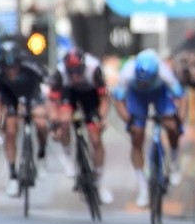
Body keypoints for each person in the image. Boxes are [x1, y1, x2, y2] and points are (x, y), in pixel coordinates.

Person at [113, 48, 186, 208]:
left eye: (147, 81)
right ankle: (143, 188)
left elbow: (181, 97)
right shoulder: (127, 73)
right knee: (137, 136)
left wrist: (179, 121)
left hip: (160, 93)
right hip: (137, 96)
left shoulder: (164, 72)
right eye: (142, 81)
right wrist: (129, 121)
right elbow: (118, 101)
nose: (145, 84)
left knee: (172, 126)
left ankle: (174, 162)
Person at [49, 46, 113, 204]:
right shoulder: (60, 73)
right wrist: (54, 123)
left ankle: (99, 182)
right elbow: (52, 102)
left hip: (90, 96)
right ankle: (68, 159)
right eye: (71, 73)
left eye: (78, 72)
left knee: (95, 138)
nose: (75, 76)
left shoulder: (94, 69)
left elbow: (104, 99)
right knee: (64, 121)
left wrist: (102, 118)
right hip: (69, 94)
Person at [0, 38, 49, 197]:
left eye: (14, 67)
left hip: (32, 95)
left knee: (41, 123)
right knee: (10, 131)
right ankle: (12, 174)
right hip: (11, 98)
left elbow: (49, 84)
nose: (11, 71)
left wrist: (47, 109)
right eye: (7, 68)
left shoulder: (31, 66)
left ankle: (42, 154)